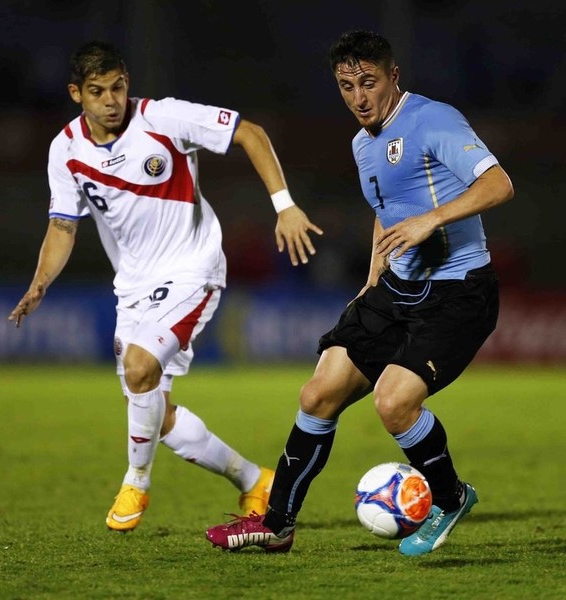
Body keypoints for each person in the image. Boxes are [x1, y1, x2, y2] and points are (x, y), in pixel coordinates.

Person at [206, 29, 514, 555]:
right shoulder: (361, 143)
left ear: (394, 77)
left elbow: (499, 184)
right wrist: (371, 284)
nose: (358, 97)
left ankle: (451, 496)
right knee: (316, 394)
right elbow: (385, 213)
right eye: (346, 86)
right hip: (396, 289)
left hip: (459, 290)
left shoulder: (431, 119)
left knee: (393, 403)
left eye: (368, 83)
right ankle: (276, 524)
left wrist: (430, 220)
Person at [8, 41, 323, 532]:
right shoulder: (65, 149)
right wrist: (40, 283)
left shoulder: (165, 118)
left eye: (118, 87)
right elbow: (63, 226)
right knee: (157, 410)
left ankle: (136, 481)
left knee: (139, 370)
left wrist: (284, 206)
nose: (111, 100)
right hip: (133, 287)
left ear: (128, 82)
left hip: (193, 269)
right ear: (76, 94)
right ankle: (253, 480)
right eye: (97, 92)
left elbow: (252, 134)